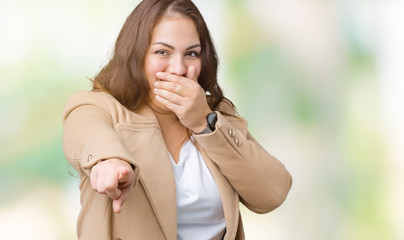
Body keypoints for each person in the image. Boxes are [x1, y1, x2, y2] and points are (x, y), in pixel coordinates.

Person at [62, 0, 292, 239]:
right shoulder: (99, 107)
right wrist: (109, 161)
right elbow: (87, 133)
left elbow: (272, 193)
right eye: (163, 52)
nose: (179, 69)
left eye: (191, 54)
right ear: (136, 55)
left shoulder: (216, 115)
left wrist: (204, 123)